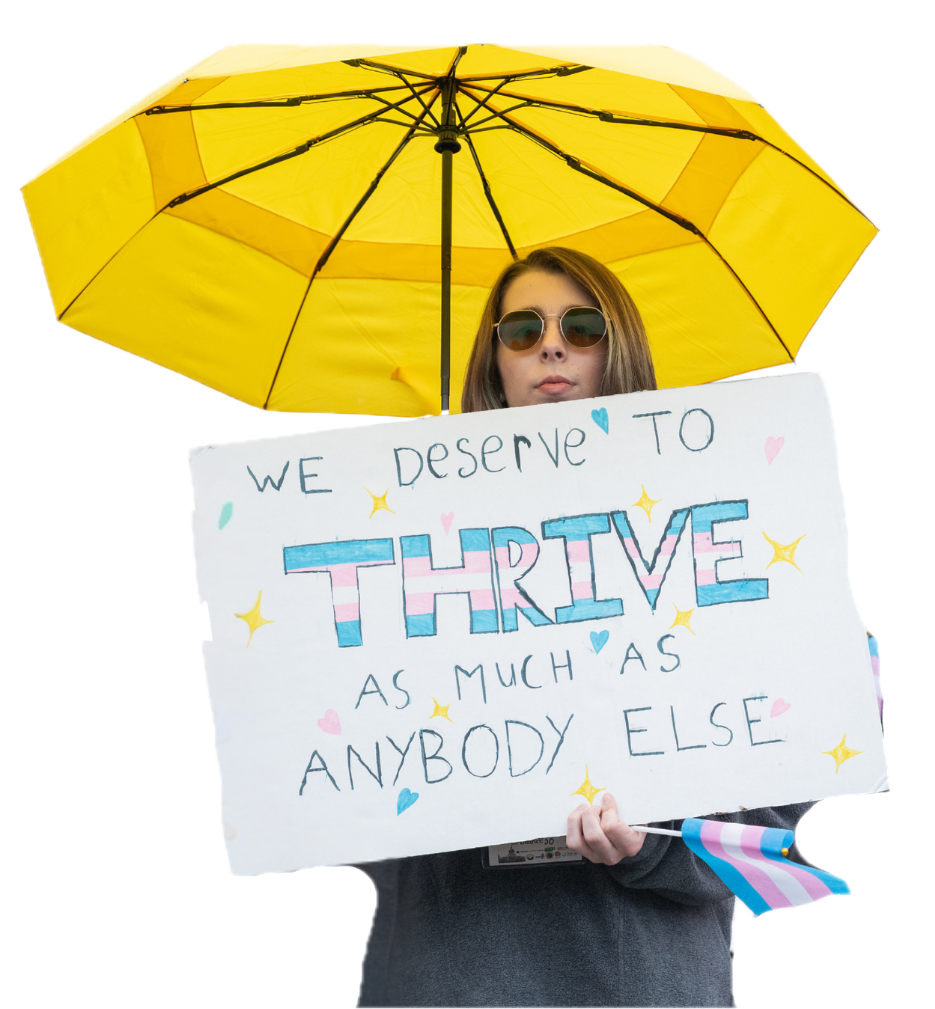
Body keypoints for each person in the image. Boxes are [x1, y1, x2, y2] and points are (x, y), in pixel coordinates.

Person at [354, 248, 815, 1009]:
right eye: (521, 329)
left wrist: (653, 840)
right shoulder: (401, 542)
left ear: (618, 345)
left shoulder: (720, 530)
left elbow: (772, 812)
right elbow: (340, 796)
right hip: (441, 974)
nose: (551, 346)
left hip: (635, 982)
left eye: (581, 326)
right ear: (492, 360)